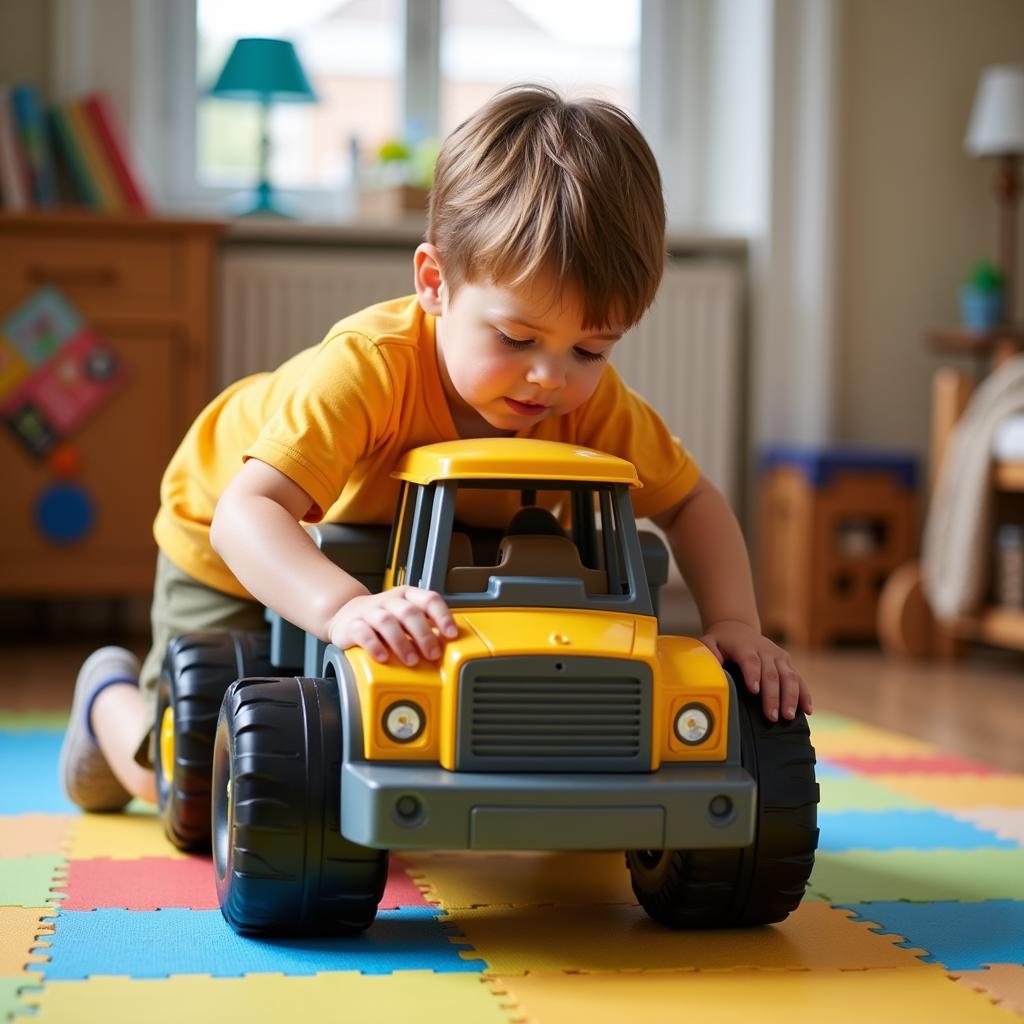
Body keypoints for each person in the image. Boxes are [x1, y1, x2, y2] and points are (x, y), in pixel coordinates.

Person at [60, 84, 812, 813]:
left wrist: (737, 625)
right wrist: (343, 608)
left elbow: (691, 502)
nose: (549, 377)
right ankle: (106, 704)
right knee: (199, 784)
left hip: (393, 559)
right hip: (232, 544)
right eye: (517, 338)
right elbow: (244, 515)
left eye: (591, 349)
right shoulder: (369, 369)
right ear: (434, 282)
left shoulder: (593, 407)